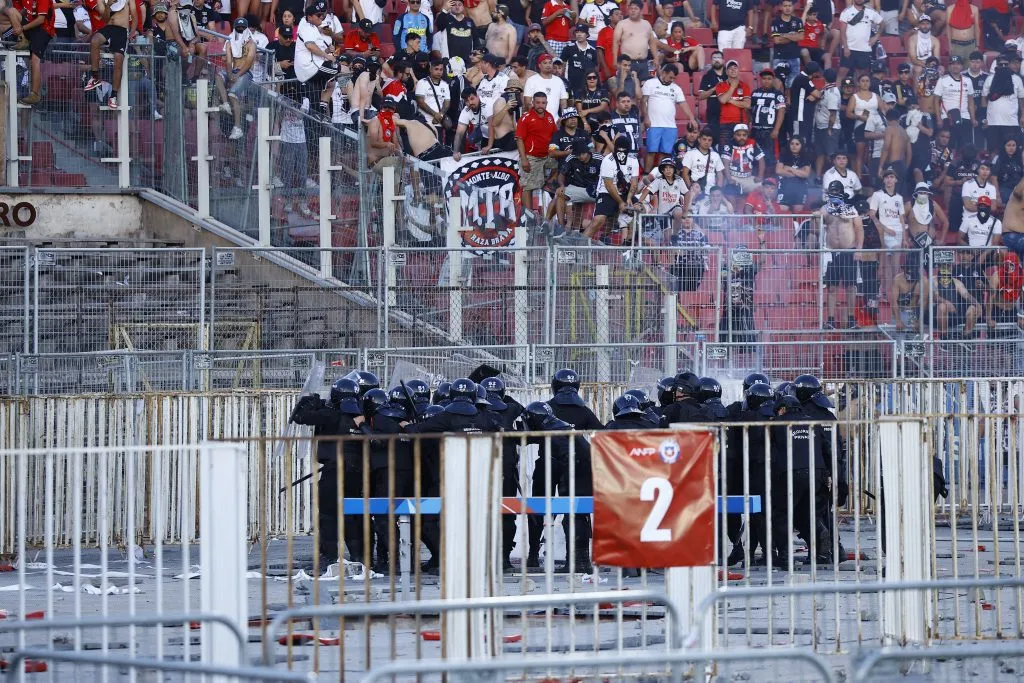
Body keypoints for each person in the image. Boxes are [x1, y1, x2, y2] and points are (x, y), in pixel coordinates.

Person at [290, 377, 368, 567]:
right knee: (352, 514)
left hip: (334, 469)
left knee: (328, 513)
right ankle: (359, 556)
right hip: (356, 471)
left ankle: (330, 555)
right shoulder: (361, 418)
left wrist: (310, 401)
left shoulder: (331, 414)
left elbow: (300, 417)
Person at [521, 402, 594, 573]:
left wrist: (564, 484)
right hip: (581, 472)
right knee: (578, 515)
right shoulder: (559, 426)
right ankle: (581, 561)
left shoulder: (555, 432)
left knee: (567, 514)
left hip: (572, 473)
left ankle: (573, 562)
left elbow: (569, 458)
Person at [724, 380, 774, 566]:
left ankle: (745, 550)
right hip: (753, 469)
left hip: (740, 469)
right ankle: (750, 551)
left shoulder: (734, 411)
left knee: (744, 512)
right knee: (757, 513)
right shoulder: (772, 414)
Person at [824, 180, 865, 330]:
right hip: (832, 253)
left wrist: (859, 250)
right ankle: (830, 320)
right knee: (832, 288)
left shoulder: (851, 209)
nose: (834, 194)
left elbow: (859, 229)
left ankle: (851, 319)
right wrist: (816, 217)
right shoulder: (825, 209)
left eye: (836, 191)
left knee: (851, 287)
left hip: (849, 252)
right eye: (832, 191)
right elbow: (817, 224)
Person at [583, 135, 639, 240]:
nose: (621, 153)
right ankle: (579, 246)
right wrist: (621, 202)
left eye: (624, 150)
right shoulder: (608, 160)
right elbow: (609, 185)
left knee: (640, 209)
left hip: (625, 192)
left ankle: (629, 243)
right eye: (619, 150)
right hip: (606, 192)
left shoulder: (633, 160)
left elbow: (634, 182)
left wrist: (629, 198)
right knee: (599, 219)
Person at [641, 63, 695, 171]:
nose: (672, 80)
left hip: (670, 126)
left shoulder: (676, 88)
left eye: (674, 78)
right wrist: (646, 117)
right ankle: (646, 175)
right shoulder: (650, 83)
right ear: (664, 73)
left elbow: (683, 104)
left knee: (665, 153)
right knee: (651, 151)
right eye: (670, 77)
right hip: (654, 124)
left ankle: (658, 176)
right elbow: (643, 101)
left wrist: (692, 118)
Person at [79, 0, 130, 110]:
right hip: (109, 27)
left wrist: (133, 32)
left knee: (118, 58)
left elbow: (134, 14)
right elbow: (105, 19)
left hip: (122, 30)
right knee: (95, 41)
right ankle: (95, 77)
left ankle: (113, 96)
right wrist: (108, 5)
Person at [295, 1, 340, 121]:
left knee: (315, 103)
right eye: (318, 15)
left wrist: (327, 49)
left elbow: (315, 48)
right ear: (309, 17)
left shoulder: (314, 28)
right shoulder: (306, 26)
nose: (321, 17)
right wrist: (328, 55)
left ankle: (319, 108)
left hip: (315, 64)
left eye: (322, 14)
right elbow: (310, 46)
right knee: (337, 67)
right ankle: (326, 104)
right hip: (309, 67)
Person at [216, 17, 257, 140]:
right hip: (233, 70)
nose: (240, 30)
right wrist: (229, 74)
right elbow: (228, 61)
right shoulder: (229, 42)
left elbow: (249, 62)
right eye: (238, 28)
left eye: (242, 28)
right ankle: (225, 104)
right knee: (218, 76)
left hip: (246, 73)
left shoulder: (252, 44)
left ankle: (237, 128)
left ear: (246, 28)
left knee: (233, 95)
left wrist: (237, 75)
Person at [869, 168, 908, 289]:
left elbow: (901, 218)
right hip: (884, 233)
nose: (889, 179)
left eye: (891, 177)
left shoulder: (899, 198)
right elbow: (872, 214)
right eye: (887, 177)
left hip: (898, 233)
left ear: (896, 180)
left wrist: (905, 238)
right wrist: (885, 229)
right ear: (884, 180)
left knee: (895, 265)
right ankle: (886, 291)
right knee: (886, 264)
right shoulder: (877, 195)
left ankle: (894, 292)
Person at [516, 91, 559, 198]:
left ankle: (548, 183)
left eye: (543, 103)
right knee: (528, 187)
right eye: (538, 103)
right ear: (533, 103)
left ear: (546, 103)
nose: (540, 105)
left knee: (563, 166)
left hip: (547, 156)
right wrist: (524, 159)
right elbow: (519, 139)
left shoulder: (549, 117)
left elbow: (555, 136)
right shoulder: (526, 118)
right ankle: (528, 214)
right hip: (531, 158)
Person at [720, 247, 764, 350]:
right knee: (727, 346)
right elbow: (722, 277)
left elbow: (762, 261)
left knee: (747, 347)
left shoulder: (749, 269)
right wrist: (724, 263)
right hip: (729, 312)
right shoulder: (727, 268)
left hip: (745, 312)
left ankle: (747, 365)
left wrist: (762, 242)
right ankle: (727, 365)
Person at [554, 141, 600, 231]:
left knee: (586, 222)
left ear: (588, 151)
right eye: (578, 154)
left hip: (596, 191)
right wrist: (562, 185)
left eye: (583, 153)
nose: (580, 156)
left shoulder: (599, 158)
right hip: (578, 189)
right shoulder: (572, 157)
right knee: (560, 194)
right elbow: (561, 174)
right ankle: (561, 228)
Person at [982, 55, 1024, 154]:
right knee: (993, 150)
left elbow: (1022, 99)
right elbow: (984, 98)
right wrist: (984, 117)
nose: (1004, 66)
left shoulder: (1017, 79)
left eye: (1006, 64)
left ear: (1009, 65)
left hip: (1011, 122)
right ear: (997, 66)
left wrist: (1023, 116)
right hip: (992, 122)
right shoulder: (990, 78)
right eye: (1001, 65)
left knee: (1012, 150)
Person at [933, 55, 975, 150]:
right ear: (949, 66)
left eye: (958, 64)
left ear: (962, 66)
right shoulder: (942, 80)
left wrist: (973, 118)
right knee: (948, 147)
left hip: (964, 117)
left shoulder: (968, 80)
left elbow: (970, 100)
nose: (955, 66)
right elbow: (936, 100)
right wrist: (939, 119)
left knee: (965, 147)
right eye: (952, 64)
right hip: (948, 118)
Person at [750, 68, 787, 173]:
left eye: (769, 78)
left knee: (769, 157)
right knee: (755, 155)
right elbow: (748, 110)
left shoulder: (778, 94)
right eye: (764, 78)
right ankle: (756, 178)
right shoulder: (754, 93)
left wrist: (776, 129)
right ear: (760, 79)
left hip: (769, 131)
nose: (766, 81)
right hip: (755, 130)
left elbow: (781, 112)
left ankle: (769, 181)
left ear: (773, 79)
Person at [933, 262, 982, 337]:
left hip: (954, 315)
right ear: (939, 268)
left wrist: (978, 305)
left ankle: (965, 339)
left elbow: (966, 295)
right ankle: (945, 339)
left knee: (972, 308)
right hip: (937, 316)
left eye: (948, 266)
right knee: (942, 306)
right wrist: (946, 302)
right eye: (943, 266)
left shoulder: (956, 282)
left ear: (951, 268)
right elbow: (934, 296)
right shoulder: (933, 281)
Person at [838, 0, 881, 83]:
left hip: (864, 49)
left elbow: (882, 24)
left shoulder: (871, 12)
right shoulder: (846, 11)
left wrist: (876, 37)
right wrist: (846, 47)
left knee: (861, 76)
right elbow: (842, 32)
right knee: (842, 73)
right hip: (849, 48)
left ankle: (858, 95)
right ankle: (836, 95)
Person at [848, 73, 882, 177]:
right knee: (860, 154)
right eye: (862, 81)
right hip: (860, 126)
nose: (865, 83)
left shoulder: (876, 96)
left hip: (874, 126)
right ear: (858, 83)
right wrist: (859, 117)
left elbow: (883, 110)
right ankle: (859, 179)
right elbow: (848, 113)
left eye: (867, 81)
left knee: (872, 154)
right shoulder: (854, 97)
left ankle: (872, 177)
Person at [613, 0, 656, 81]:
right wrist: (615, 60)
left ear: (641, 10)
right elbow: (615, 42)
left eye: (635, 9)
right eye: (631, 8)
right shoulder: (622, 24)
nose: (632, 10)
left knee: (644, 89)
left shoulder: (646, 24)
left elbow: (652, 42)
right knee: (629, 89)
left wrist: (656, 58)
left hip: (643, 63)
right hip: (628, 63)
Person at [719, 123, 765, 195]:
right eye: (739, 135)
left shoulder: (752, 143)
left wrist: (760, 176)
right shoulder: (729, 144)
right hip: (734, 177)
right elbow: (725, 163)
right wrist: (729, 179)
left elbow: (761, 160)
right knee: (730, 189)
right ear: (734, 135)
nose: (742, 137)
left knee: (763, 188)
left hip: (748, 178)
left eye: (744, 135)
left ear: (747, 135)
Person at [715, 59, 751, 147]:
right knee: (725, 150)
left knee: (740, 150)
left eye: (735, 68)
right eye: (730, 68)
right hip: (725, 123)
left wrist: (730, 100)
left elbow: (747, 104)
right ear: (726, 72)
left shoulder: (744, 86)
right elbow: (723, 100)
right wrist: (733, 87)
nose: (733, 70)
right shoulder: (720, 85)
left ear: (738, 71)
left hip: (741, 122)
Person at [814, 69, 843, 178]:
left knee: (831, 155)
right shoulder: (825, 90)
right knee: (820, 154)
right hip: (821, 127)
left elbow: (833, 114)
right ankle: (818, 177)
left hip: (830, 128)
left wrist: (830, 129)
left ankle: (834, 178)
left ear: (824, 78)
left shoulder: (832, 92)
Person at [415, 58, 451, 139]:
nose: (439, 72)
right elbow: (420, 102)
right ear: (430, 69)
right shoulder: (422, 83)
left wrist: (440, 115)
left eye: (441, 69)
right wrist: (435, 115)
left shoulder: (445, 85)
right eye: (436, 69)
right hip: (425, 122)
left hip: (439, 123)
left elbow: (447, 103)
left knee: (438, 148)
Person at [890, 251, 927, 331]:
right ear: (904, 268)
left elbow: (924, 303)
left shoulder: (923, 281)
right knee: (899, 340)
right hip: (900, 312)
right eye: (907, 271)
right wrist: (898, 320)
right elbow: (894, 302)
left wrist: (919, 321)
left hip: (915, 313)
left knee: (915, 341)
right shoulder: (897, 279)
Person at [682, 126, 725, 194]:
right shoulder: (690, 153)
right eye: (704, 139)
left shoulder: (715, 155)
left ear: (712, 141)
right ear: (699, 140)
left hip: (712, 194)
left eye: (709, 140)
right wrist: (691, 188)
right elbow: (685, 173)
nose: (707, 142)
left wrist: (718, 191)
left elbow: (720, 175)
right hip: (696, 193)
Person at [776, 135, 813, 213]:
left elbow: (806, 174)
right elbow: (779, 171)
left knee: (798, 213)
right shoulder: (784, 155)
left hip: (800, 189)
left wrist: (790, 169)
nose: (794, 146)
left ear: (801, 145)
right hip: (784, 187)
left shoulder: (806, 157)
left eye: (797, 144)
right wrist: (799, 172)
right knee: (782, 211)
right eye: (792, 144)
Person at [524, 53, 568, 118]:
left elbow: (563, 102)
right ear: (539, 65)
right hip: (536, 120)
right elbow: (528, 103)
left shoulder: (559, 81)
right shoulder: (531, 80)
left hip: (554, 121)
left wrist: (563, 117)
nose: (548, 65)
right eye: (545, 63)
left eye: (550, 63)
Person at [771, 0, 804, 83]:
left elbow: (801, 36)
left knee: (793, 84)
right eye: (785, 6)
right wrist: (793, 35)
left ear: (792, 7)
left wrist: (784, 35)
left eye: (789, 6)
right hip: (779, 57)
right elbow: (777, 40)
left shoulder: (798, 21)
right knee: (778, 83)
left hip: (794, 56)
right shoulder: (775, 22)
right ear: (781, 7)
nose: (787, 8)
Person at [698, 51, 728, 142]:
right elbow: (701, 96)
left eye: (718, 58)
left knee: (727, 139)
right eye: (714, 58)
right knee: (715, 139)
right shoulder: (707, 76)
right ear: (711, 61)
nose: (716, 60)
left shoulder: (729, 74)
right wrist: (714, 88)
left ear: (723, 60)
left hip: (728, 111)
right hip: (713, 113)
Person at [560, 23, 597, 92]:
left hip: (587, 86)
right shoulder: (568, 48)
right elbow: (562, 66)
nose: (579, 34)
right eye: (577, 32)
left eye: (582, 32)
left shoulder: (593, 51)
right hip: (571, 85)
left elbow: (595, 69)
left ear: (587, 34)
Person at [945, 0, 980, 64]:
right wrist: (949, 46)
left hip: (971, 45)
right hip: (956, 45)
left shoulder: (975, 9)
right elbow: (948, 29)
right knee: (955, 69)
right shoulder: (950, 9)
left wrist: (977, 46)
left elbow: (977, 28)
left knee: (969, 70)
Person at [992, 138, 1024, 206]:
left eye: (1013, 145)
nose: (1011, 148)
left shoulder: (1019, 159)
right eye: (1008, 145)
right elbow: (993, 177)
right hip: (1004, 190)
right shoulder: (999, 158)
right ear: (1004, 146)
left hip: (1018, 191)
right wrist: (997, 195)